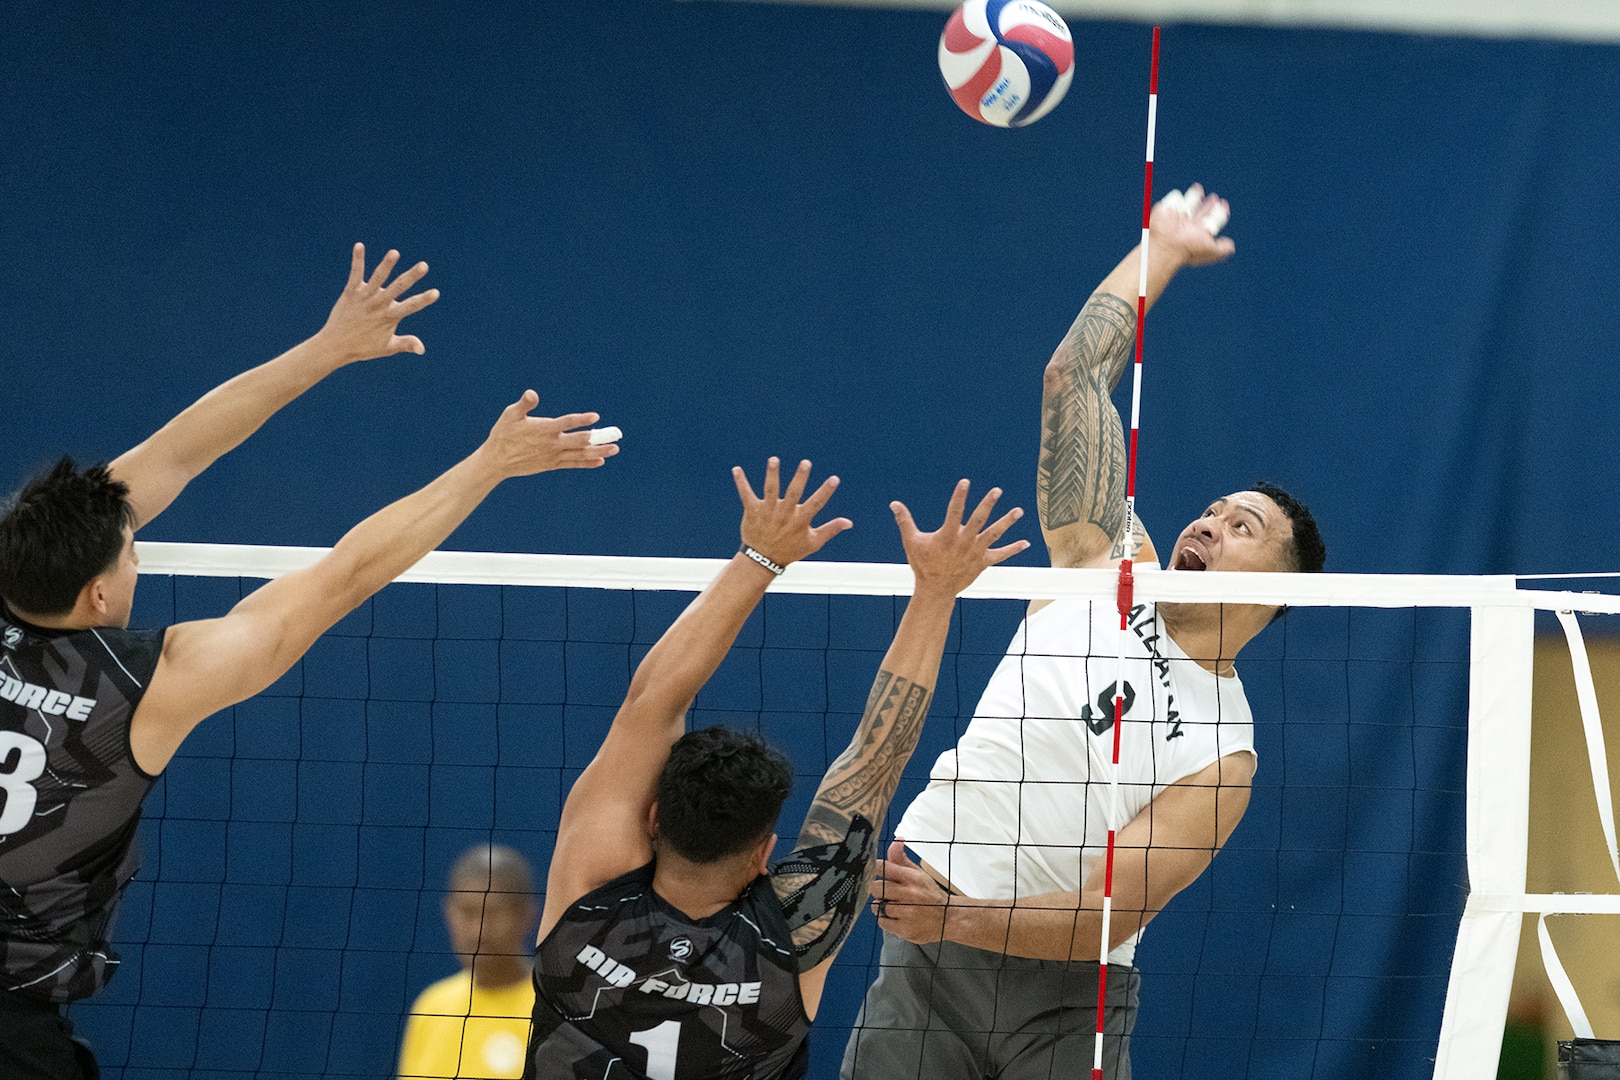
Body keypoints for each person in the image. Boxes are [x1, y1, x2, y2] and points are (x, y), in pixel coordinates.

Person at [0, 245, 617, 1080]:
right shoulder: (148, 684)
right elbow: (344, 575)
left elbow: (171, 458)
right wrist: (488, 465)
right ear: (99, 598)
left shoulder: (23, 563)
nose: (137, 555)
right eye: (131, 556)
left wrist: (327, 348)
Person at [842, 186, 1328, 1080]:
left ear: (1281, 589)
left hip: (1069, 996)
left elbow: (1118, 910)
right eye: (1214, 511)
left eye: (1244, 527)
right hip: (927, 941)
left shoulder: (1226, 756)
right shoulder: (1111, 560)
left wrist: (961, 921)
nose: (1212, 524)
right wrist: (1164, 249)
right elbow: (1072, 378)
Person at [524, 457, 1029, 1079]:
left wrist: (758, 557)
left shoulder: (591, 887)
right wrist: (935, 592)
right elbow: (878, 757)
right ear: (766, 852)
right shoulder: (794, 929)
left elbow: (650, 702)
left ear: (653, 818)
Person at [398, 844, 540, 1080]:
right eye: (467, 912)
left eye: (492, 914)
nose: (478, 931)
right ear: (448, 912)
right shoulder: (431, 1007)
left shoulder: (554, 1011)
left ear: (526, 915)